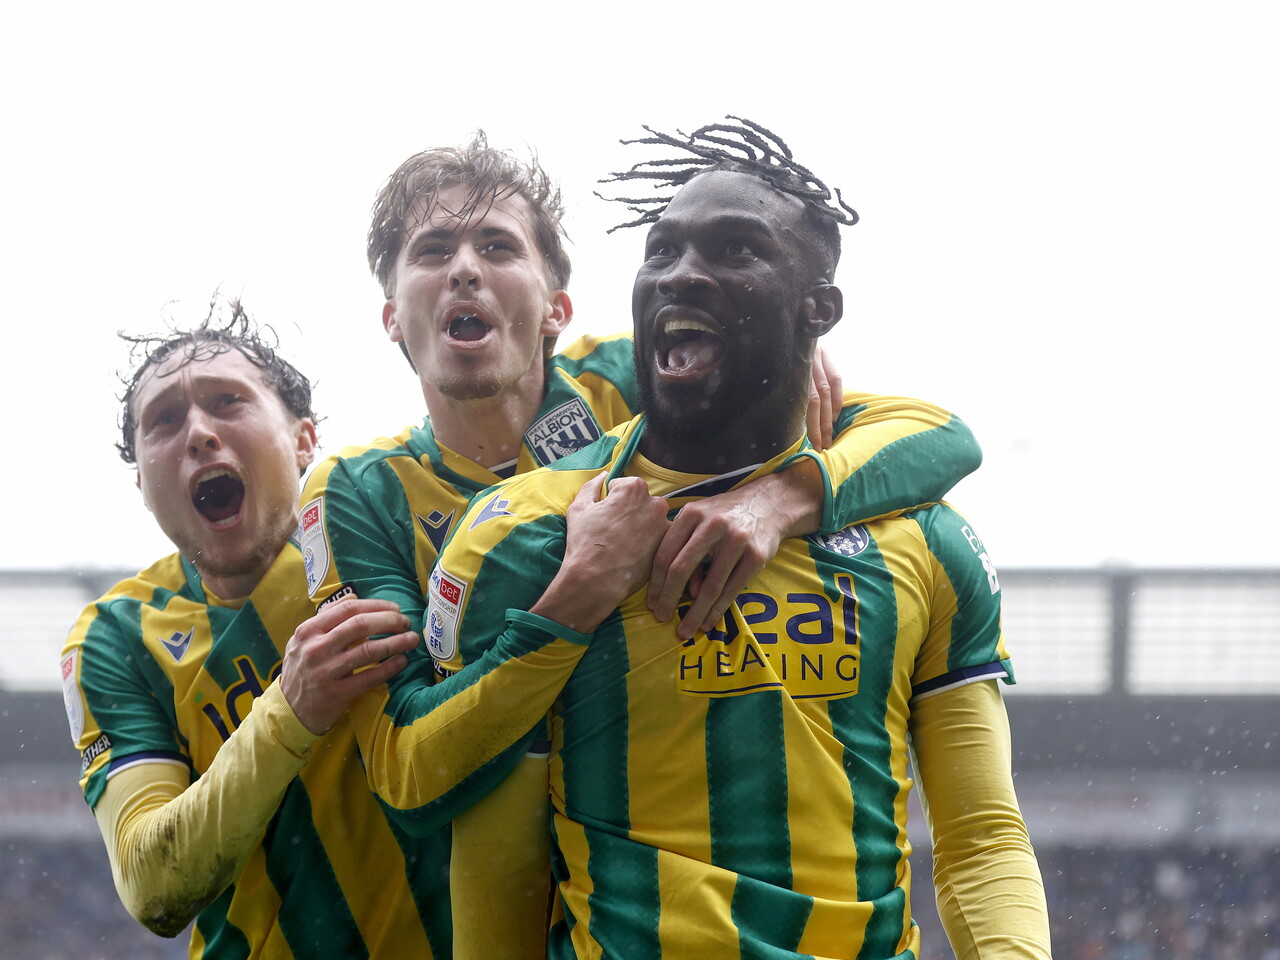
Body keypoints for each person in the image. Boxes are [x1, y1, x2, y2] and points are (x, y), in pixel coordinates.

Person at [424, 118, 1053, 958]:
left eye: (736, 251)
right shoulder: (530, 536)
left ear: (817, 310)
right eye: (662, 252)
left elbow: (980, 835)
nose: (682, 275)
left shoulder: (921, 539)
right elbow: (498, 876)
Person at [298, 132, 984, 851]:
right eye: (434, 251)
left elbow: (941, 437)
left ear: (557, 307)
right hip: (466, 873)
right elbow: (404, 764)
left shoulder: (645, 374)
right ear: (390, 318)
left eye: (497, 247)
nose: (465, 269)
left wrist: (781, 498)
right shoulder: (355, 489)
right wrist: (578, 592)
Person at [60, 300, 449, 958]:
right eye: (164, 420)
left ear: (304, 438)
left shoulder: (394, 519)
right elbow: (152, 885)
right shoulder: (115, 639)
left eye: (228, 402)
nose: (199, 433)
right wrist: (290, 709)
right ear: (142, 485)